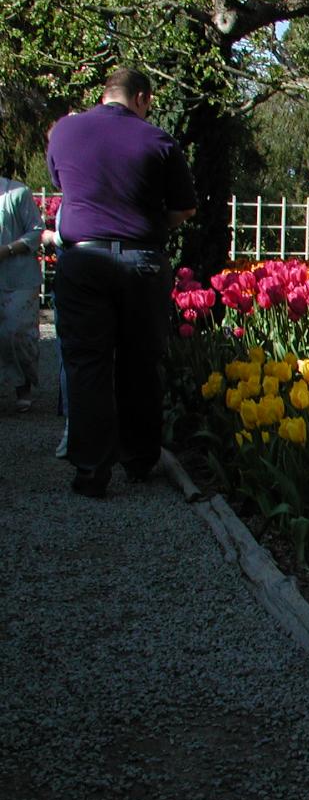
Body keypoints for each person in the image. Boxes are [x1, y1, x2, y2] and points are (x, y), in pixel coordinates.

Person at [46, 68, 198, 497]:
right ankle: (139, 458)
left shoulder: (65, 133)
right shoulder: (157, 140)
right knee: (140, 361)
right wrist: (151, 224)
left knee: (86, 362)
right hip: (141, 261)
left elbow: (65, 184)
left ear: (104, 94)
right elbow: (184, 208)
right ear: (142, 98)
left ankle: (91, 468)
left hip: (83, 257)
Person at [0, 168, 45, 413]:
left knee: (16, 332)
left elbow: (37, 232)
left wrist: (7, 250)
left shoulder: (16, 192)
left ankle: (24, 385)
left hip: (18, 276)